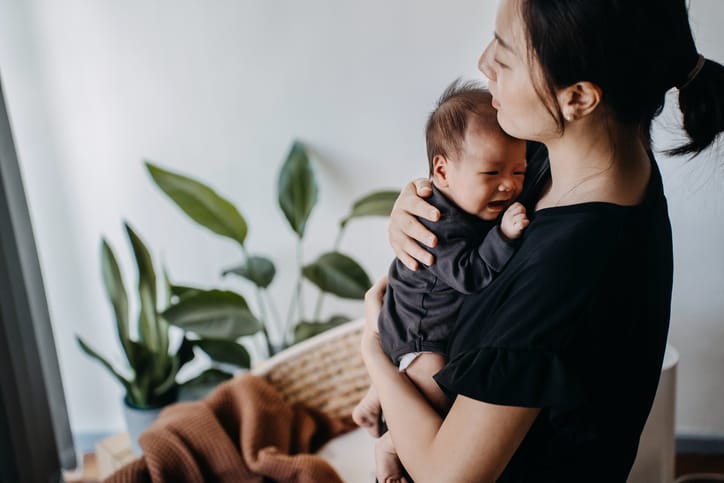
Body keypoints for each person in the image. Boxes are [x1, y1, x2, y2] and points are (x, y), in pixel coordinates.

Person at [360, 0, 724, 481]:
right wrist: (419, 204)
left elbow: (447, 476)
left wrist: (372, 349)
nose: (483, 62)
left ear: (579, 98)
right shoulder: (572, 159)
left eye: (505, 54)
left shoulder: (569, 264)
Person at [351, 79, 528, 483]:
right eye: (492, 172)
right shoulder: (439, 223)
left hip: (409, 315)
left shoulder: (460, 197)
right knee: (434, 392)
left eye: (519, 170)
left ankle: (374, 397)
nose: (510, 184)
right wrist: (503, 236)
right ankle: (390, 444)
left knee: (407, 378)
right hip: (418, 330)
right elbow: (468, 274)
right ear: (442, 172)